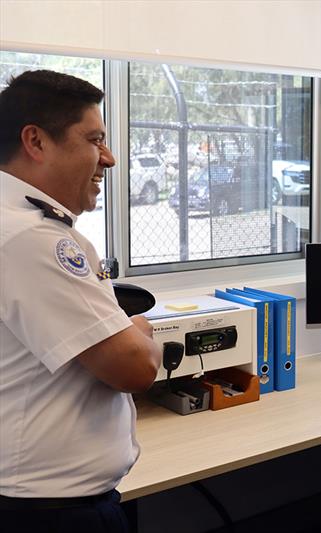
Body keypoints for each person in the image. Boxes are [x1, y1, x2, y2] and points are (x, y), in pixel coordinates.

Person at [0, 70, 162, 532]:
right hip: (53, 513)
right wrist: (141, 329)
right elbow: (136, 368)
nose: (108, 158)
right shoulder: (33, 239)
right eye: (94, 139)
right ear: (36, 141)